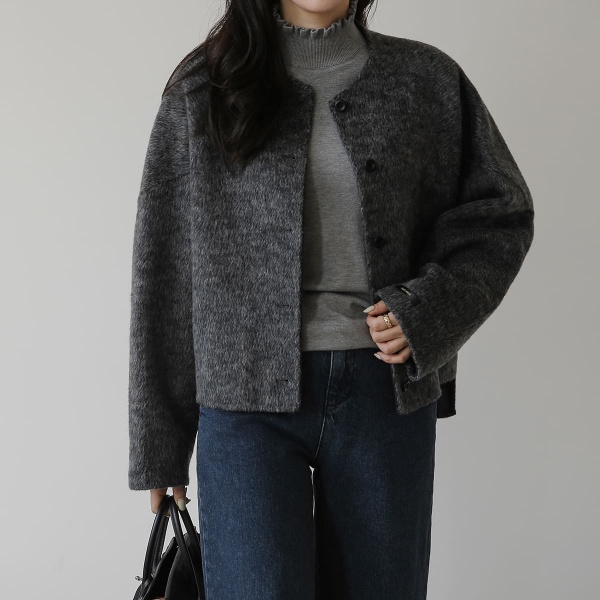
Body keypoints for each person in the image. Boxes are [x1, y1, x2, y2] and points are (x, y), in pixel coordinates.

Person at [127, 1, 535, 598]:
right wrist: (159, 443)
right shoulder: (205, 86)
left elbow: (500, 215)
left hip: (383, 394)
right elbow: (163, 263)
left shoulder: (427, 79)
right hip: (245, 405)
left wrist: (426, 311)